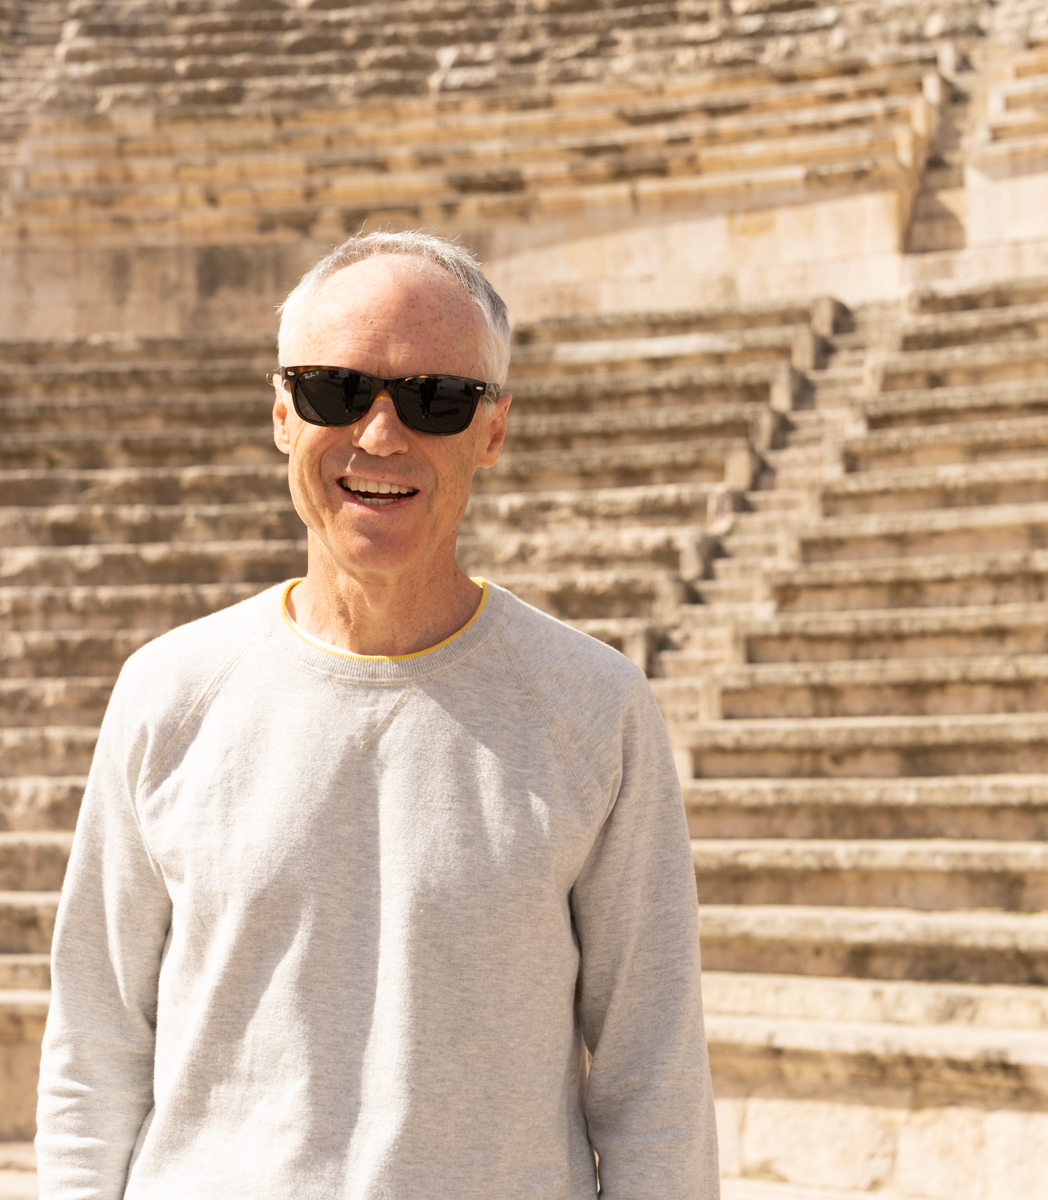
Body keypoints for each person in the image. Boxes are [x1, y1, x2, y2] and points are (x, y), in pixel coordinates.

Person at [35, 231, 718, 1199]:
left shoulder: (594, 709)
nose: (383, 436)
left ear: (493, 430)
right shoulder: (168, 695)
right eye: (336, 391)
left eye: (437, 399)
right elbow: (93, 1054)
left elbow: (658, 1092)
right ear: (282, 413)